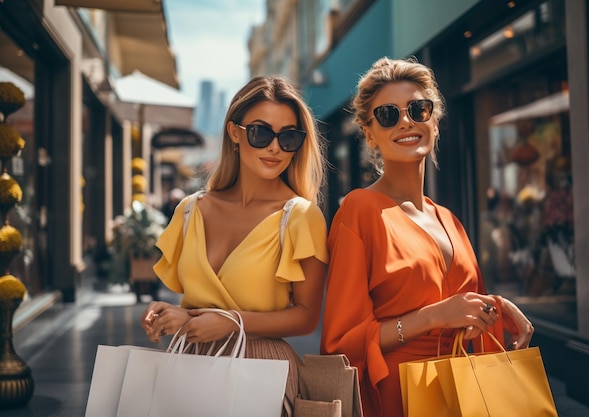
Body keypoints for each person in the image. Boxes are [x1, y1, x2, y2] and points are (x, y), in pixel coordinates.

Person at [320, 57, 534, 417]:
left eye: (418, 109)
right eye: (388, 114)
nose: (406, 121)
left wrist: (495, 307)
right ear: (369, 132)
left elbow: (461, 308)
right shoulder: (359, 211)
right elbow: (340, 344)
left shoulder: (448, 218)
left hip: (464, 393)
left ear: (434, 121)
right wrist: (433, 317)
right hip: (399, 397)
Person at [141, 75, 328, 416]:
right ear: (234, 133)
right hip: (190, 365)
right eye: (261, 133)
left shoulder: (301, 216)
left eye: (288, 137)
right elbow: (199, 301)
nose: (275, 147)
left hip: (263, 370)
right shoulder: (190, 210)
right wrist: (172, 314)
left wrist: (232, 322)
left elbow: (306, 318)